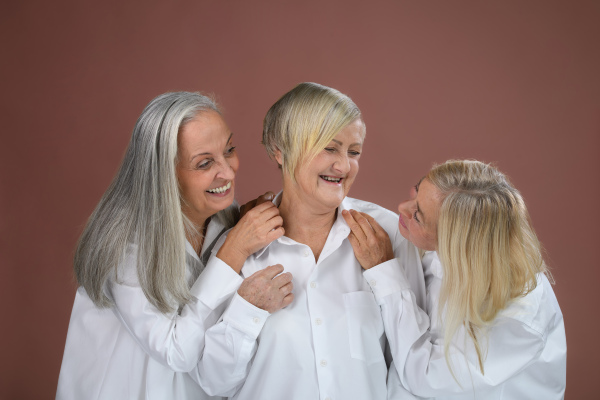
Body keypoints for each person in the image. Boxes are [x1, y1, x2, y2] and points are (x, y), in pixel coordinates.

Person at [56, 92, 294, 400]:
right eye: (205, 163)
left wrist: (235, 228)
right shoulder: (126, 246)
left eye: (230, 149)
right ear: (164, 173)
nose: (229, 170)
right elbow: (176, 352)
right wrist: (232, 251)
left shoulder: (223, 220)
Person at [204, 82, 426, 400]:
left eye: (354, 152)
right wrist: (247, 308)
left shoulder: (389, 234)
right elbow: (213, 382)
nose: (344, 166)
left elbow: (414, 368)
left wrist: (385, 272)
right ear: (280, 150)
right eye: (329, 148)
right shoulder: (238, 248)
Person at [344, 159, 566, 399]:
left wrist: (384, 271)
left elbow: (427, 379)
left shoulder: (519, 319)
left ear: (456, 242)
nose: (402, 207)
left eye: (418, 216)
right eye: (417, 191)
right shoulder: (443, 255)